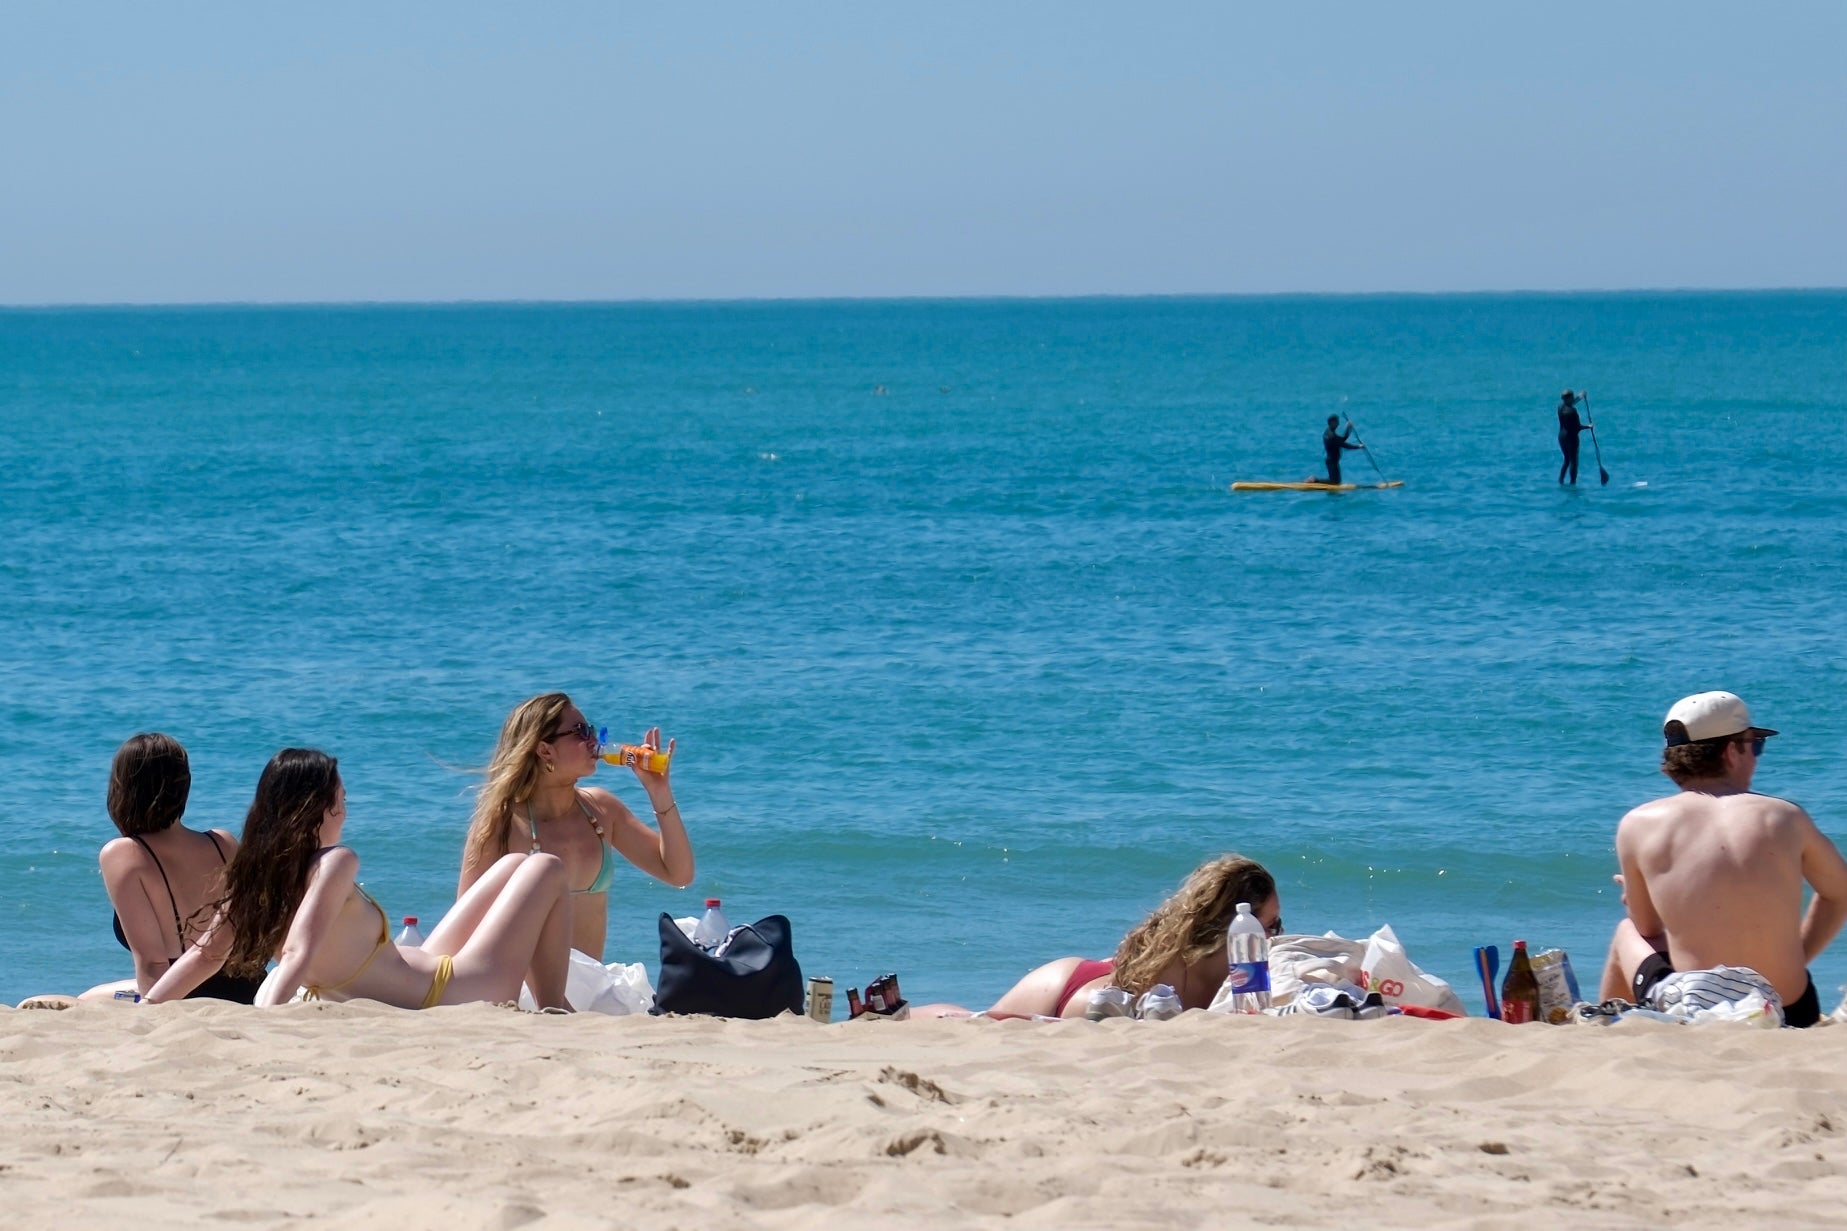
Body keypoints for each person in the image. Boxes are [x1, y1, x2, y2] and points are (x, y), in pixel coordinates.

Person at [147, 748, 573, 1009]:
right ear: (321, 810)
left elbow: (205, 956)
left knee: (511, 865)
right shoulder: (335, 862)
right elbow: (299, 949)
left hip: (426, 968)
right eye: (342, 800)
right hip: (452, 991)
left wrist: (149, 1004)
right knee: (545, 866)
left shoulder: (260, 882)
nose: (346, 812)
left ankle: (553, 999)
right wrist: (269, 1017)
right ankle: (556, 1006)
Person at [1599, 692, 1847, 1028]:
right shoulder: (1786, 817)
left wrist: (1636, 894)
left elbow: (1648, 929)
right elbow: (1840, 892)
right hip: (1789, 1008)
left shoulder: (1639, 823)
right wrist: (1796, 957)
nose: (1757, 757)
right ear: (1732, 751)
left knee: (1626, 931)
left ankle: (1606, 1024)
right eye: (1755, 745)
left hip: (1695, 1009)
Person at [459, 693, 694, 961]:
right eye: (581, 732)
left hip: (592, 986)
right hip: (524, 992)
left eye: (591, 730)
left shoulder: (601, 810)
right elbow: (463, 925)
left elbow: (679, 874)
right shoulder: (501, 823)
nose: (594, 741)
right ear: (545, 750)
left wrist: (659, 792)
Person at [914, 855, 1283, 1019]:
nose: (1273, 937)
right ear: (1228, 923)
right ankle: (894, 1016)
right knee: (968, 1020)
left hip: (1078, 981)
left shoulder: (1241, 974)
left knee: (973, 1017)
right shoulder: (1175, 963)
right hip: (1066, 986)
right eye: (1271, 925)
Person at [80, 734, 267, 1003]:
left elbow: (153, 962)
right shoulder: (223, 842)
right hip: (252, 989)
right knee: (92, 996)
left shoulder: (124, 853)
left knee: (81, 1001)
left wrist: (155, 1020)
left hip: (186, 995)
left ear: (123, 789)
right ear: (183, 785)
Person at [1557, 390, 1592, 485]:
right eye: (1572, 397)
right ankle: (1573, 482)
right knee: (1574, 461)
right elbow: (1577, 427)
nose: (1573, 398)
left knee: (1567, 460)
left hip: (1562, 437)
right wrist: (1588, 427)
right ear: (1568, 398)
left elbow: (1570, 403)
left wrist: (1580, 397)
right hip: (1571, 438)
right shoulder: (1572, 411)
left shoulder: (1560, 407)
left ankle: (1561, 480)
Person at [1317, 415, 1364, 486]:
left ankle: (1315, 480)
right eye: (1337, 422)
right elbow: (1345, 445)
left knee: (1335, 482)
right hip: (1332, 462)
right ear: (1332, 422)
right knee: (1335, 483)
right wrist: (1358, 447)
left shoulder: (1328, 432)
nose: (1338, 424)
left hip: (1332, 461)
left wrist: (1348, 429)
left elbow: (1341, 440)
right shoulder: (1331, 436)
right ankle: (1315, 480)